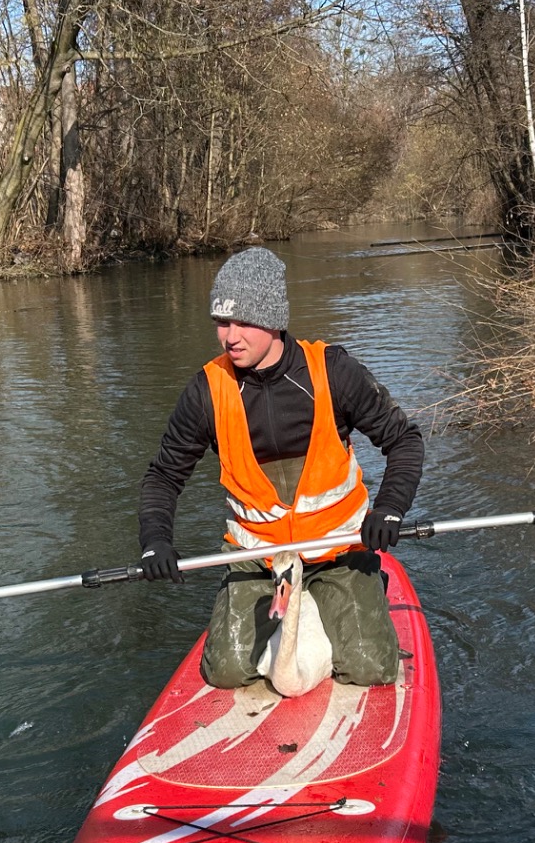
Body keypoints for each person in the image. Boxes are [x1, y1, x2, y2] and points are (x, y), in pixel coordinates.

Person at [138, 247, 424, 689]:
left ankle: (365, 589)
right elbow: (164, 476)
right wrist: (155, 541)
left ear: (273, 319)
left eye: (243, 322)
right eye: (221, 322)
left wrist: (389, 510)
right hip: (257, 557)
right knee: (226, 672)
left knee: (370, 668)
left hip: (338, 550)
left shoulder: (333, 372)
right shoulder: (206, 392)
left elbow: (404, 440)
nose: (230, 337)